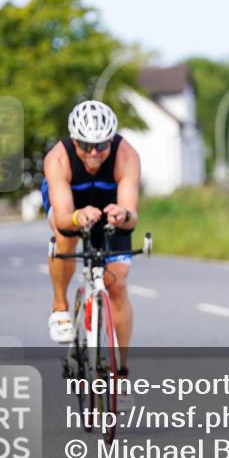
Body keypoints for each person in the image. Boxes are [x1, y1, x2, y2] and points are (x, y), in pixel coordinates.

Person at [41, 101, 140, 384]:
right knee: (65, 236)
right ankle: (60, 307)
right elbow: (61, 218)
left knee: (117, 284)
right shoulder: (58, 159)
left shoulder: (127, 156)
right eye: (85, 145)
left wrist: (123, 214)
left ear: (111, 139)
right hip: (71, 207)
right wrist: (76, 216)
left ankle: (121, 372)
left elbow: (132, 216)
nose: (94, 153)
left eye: (101, 145)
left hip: (110, 208)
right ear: (74, 140)